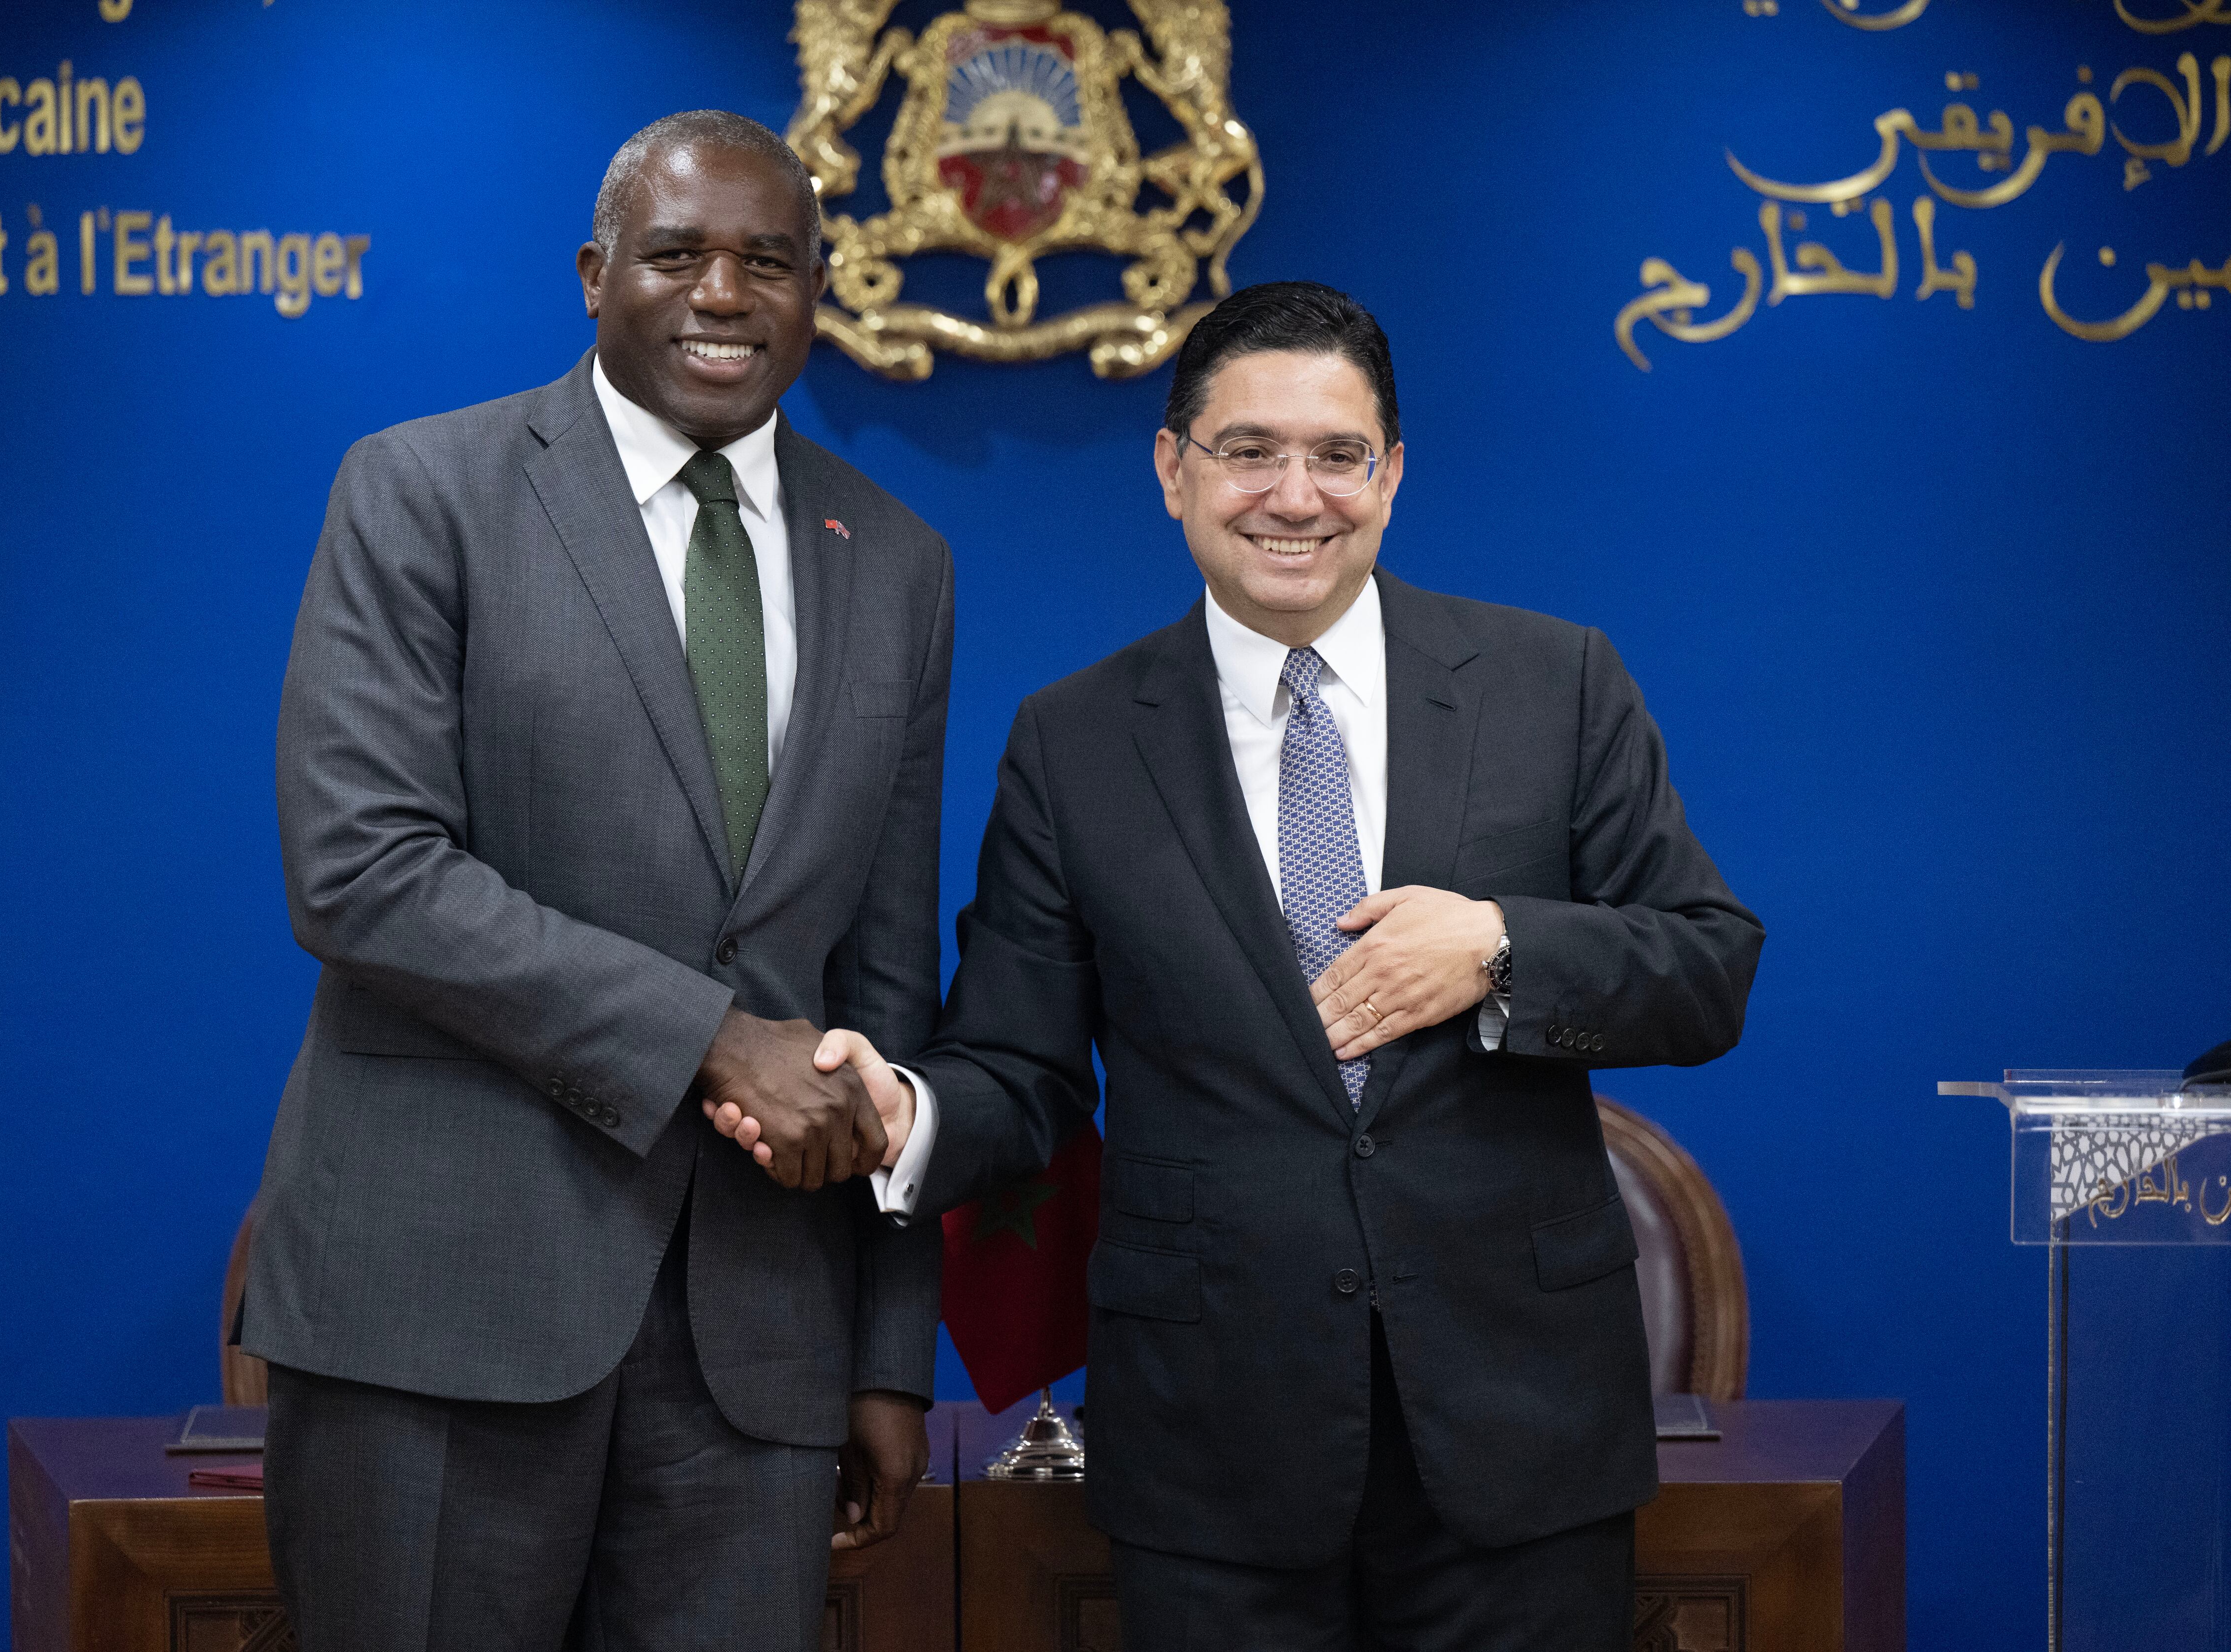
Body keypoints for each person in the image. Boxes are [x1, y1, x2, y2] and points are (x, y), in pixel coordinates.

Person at [733, 282, 1764, 1650]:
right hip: (1213, 1446)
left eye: (1339, 454)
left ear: (1391, 475)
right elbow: (1021, 1065)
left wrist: (1503, 948)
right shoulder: (1075, 740)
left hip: (1519, 1434)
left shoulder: (1554, 684)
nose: (1296, 495)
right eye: (1249, 451)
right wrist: (905, 1112)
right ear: (1174, 470)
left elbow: (1707, 966)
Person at [243, 110, 950, 1652]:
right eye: (677, 254)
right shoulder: (423, 490)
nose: (724, 294)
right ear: (592, 274)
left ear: (820, 289)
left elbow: (885, 984)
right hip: (440, 1316)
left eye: (770, 262)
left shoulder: (896, 557)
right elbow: (361, 870)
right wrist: (713, 1039)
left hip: (758, 1355)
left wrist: (889, 1352)